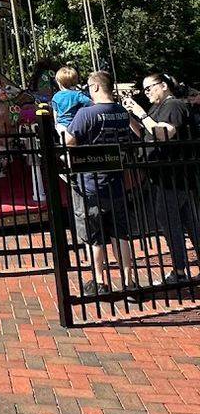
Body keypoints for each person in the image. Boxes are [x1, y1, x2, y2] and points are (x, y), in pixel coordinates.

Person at [122, 74, 200, 284]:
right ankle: (181, 269)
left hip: (173, 177)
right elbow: (145, 135)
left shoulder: (173, 105)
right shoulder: (156, 109)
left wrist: (140, 113)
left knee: (171, 222)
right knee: (189, 223)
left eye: (149, 88)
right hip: (163, 177)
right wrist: (131, 116)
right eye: (144, 90)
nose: (146, 93)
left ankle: (179, 271)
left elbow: (164, 134)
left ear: (164, 85)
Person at [64, 69, 135, 296]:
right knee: (120, 234)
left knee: (94, 236)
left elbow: (70, 141)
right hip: (116, 180)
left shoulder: (87, 114)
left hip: (91, 182)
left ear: (95, 87)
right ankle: (129, 281)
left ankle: (100, 281)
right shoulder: (122, 112)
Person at [51, 65, 92, 135]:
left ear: (59, 82)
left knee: (64, 142)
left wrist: (56, 124)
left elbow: (55, 112)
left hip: (61, 125)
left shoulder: (56, 96)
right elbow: (90, 103)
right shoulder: (78, 95)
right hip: (76, 124)